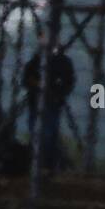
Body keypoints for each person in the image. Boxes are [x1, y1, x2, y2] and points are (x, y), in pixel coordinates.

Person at [22, 31, 75, 175]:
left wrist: (56, 94)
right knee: (39, 135)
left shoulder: (60, 63)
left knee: (47, 135)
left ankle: (45, 165)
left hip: (51, 104)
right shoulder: (37, 61)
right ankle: (42, 165)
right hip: (40, 104)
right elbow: (26, 79)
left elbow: (68, 83)